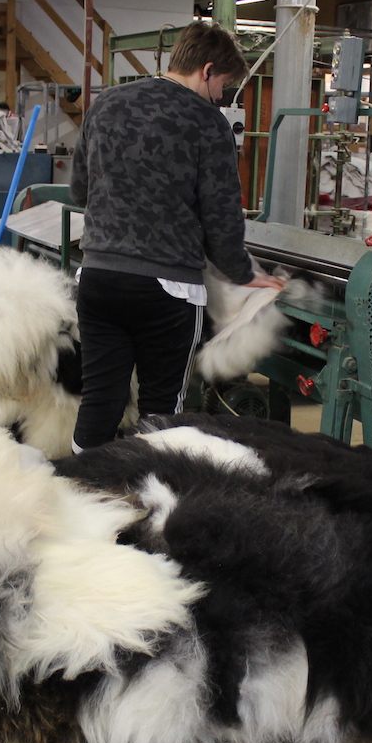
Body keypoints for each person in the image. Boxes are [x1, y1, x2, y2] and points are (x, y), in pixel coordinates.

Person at [68, 22, 284, 452]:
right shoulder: (207, 123)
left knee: (101, 401)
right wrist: (244, 274)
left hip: (99, 279)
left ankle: (80, 492)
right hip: (168, 292)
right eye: (223, 85)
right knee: (163, 413)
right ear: (207, 70)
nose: (222, 98)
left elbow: (79, 191)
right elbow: (221, 217)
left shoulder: (105, 104)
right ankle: (152, 505)